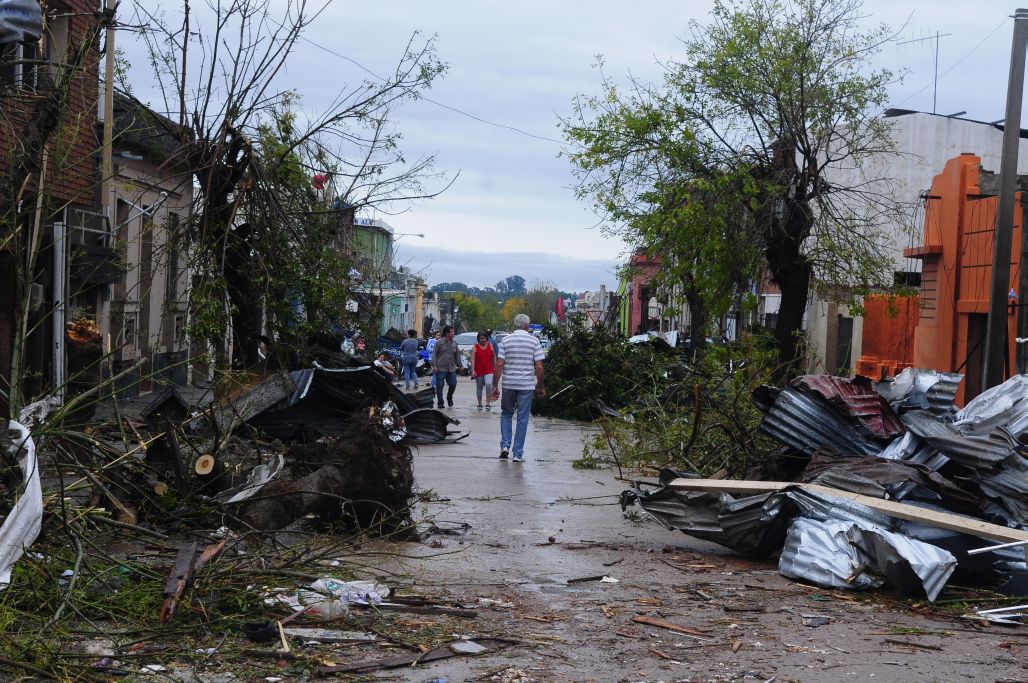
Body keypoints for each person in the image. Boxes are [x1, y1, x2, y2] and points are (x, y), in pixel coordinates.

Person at [491, 313, 545, 462]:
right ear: (527, 326)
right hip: (526, 386)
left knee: (506, 414)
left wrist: (495, 385)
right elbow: (539, 366)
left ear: (515, 325)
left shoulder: (506, 341)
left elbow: (499, 364)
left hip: (508, 384)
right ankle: (517, 454)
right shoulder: (534, 341)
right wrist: (540, 386)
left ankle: (504, 446)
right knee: (522, 419)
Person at [431, 325, 460, 408]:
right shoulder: (439, 342)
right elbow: (434, 354)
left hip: (451, 368)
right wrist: (434, 365)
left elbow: (457, 355)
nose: (454, 333)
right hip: (440, 367)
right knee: (440, 386)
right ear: (447, 333)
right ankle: (440, 403)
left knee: (453, 384)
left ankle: (449, 397)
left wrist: (460, 366)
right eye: (452, 332)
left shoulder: (454, 343)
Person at [470, 331, 496, 410]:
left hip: (489, 370)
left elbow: (494, 357)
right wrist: (473, 370)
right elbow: (473, 359)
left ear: (486, 339)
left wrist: (495, 367)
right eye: (481, 338)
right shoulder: (475, 347)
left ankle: (488, 403)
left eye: (484, 338)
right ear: (478, 339)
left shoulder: (490, 346)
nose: (482, 340)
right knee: (479, 387)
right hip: (478, 370)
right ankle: (480, 404)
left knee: (488, 385)